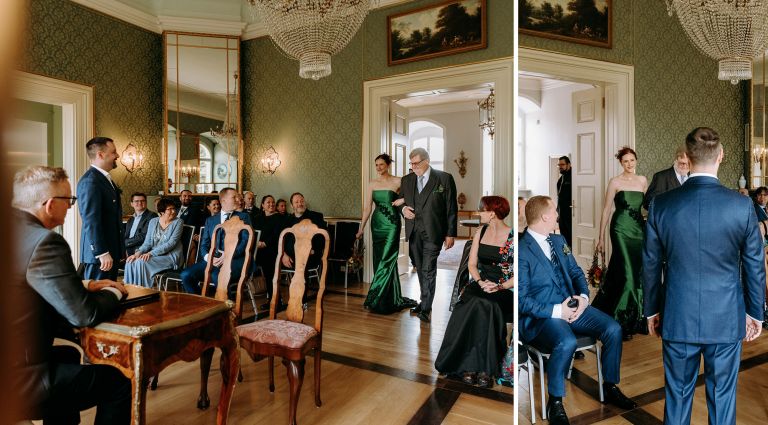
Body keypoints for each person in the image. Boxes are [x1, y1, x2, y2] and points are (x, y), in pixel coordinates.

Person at [643, 127, 765, 425]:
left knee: (677, 396)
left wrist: (652, 310)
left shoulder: (662, 204)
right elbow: (754, 264)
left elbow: (649, 263)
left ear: (687, 156)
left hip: (677, 314)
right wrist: (754, 312)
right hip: (725, 317)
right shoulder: (741, 206)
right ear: (720, 156)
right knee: (723, 399)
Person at [10, 165, 131, 424]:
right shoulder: (44, 241)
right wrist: (113, 290)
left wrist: (85, 285)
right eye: (70, 200)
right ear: (51, 204)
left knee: (67, 355)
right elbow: (84, 313)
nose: (72, 206)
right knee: (118, 383)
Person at [519, 196, 636, 425]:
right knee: (567, 342)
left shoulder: (558, 239)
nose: (557, 214)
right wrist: (557, 311)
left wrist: (583, 298)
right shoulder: (522, 250)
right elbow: (522, 301)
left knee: (613, 329)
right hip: (544, 316)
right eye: (554, 211)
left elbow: (575, 272)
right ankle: (555, 402)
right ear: (544, 216)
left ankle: (610, 385)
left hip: (574, 306)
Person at [435, 196, 513, 388]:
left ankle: (485, 368)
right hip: (480, 283)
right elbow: (471, 264)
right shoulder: (481, 231)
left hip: (505, 288)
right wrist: (480, 281)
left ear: (492, 213)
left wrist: (499, 286)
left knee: (486, 305)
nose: (480, 213)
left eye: (482, 210)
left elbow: (519, 274)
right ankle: (466, 365)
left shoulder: (514, 237)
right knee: (468, 303)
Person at [592, 147, 648, 339]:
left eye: (632, 160)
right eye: (626, 161)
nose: (630, 164)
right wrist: (600, 237)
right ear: (621, 163)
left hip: (639, 230)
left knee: (636, 271)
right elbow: (607, 209)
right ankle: (622, 319)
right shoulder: (615, 182)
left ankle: (637, 316)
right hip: (620, 229)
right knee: (628, 274)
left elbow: (647, 208)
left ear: (636, 160)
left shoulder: (642, 180)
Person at [397, 147, 458, 323]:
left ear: (426, 161)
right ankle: (424, 302)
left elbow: (451, 208)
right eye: (411, 163)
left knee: (428, 269)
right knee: (419, 267)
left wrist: (450, 233)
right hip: (414, 231)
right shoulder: (407, 180)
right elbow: (401, 199)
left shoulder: (444, 178)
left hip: (434, 231)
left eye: (416, 163)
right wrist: (403, 209)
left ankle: (426, 308)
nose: (413, 167)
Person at [357, 154, 418, 314]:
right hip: (377, 224)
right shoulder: (372, 183)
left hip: (392, 223)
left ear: (388, 165)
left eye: (381, 165)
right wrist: (361, 227)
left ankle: (375, 295)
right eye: (376, 165)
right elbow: (367, 208)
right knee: (379, 260)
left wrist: (402, 201)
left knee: (387, 258)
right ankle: (389, 297)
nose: (378, 168)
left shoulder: (399, 181)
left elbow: (413, 193)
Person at [181, 188, 252, 299]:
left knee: (218, 275)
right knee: (186, 275)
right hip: (213, 260)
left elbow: (245, 242)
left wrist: (228, 256)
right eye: (234, 197)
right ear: (223, 201)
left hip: (236, 259)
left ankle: (227, 307)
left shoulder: (244, 217)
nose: (238, 200)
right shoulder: (211, 220)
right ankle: (201, 303)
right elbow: (204, 245)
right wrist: (209, 257)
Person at [77, 136, 123, 280]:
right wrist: (102, 252)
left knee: (109, 296)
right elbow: (91, 220)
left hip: (110, 253)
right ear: (101, 155)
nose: (117, 155)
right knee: (97, 300)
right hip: (100, 258)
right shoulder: (91, 181)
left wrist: (119, 250)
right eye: (114, 152)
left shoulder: (104, 179)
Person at [124, 198, 184, 288]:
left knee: (141, 262)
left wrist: (150, 253)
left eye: (174, 208)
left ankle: (144, 291)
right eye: (169, 209)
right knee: (130, 261)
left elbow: (171, 243)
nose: (173, 211)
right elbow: (148, 242)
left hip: (170, 256)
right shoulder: (153, 221)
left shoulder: (178, 222)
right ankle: (131, 289)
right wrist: (138, 253)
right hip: (154, 255)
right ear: (162, 211)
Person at [253, 195, 286, 308]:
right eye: (268, 202)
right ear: (262, 205)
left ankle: (276, 301)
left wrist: (264, 243)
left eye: (273, 202)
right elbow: (254, 232)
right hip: (258, 250)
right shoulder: (257, 218)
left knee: (270, 274)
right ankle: (272, 299)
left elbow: (277, 235)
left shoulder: (279, 218)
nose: (271, 204)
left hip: (273, 250)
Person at [642, 145, 689, 210]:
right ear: (676, 160)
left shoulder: (694, 177)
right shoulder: (661, 177)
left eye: (689, 163)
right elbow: (647, 203)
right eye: (682, 163)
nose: (685, 166)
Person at [556, 156, 572, 246]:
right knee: (563, 237)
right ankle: (566, 255)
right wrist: (558, 212)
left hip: (571, 214)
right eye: (559, 165)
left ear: (568, 164)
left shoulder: (574, 177)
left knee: (571, 237)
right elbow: (559, 197)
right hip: (562, 215)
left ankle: (572, 256)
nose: (560, 167)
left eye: (562, 164)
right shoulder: (561, 179)